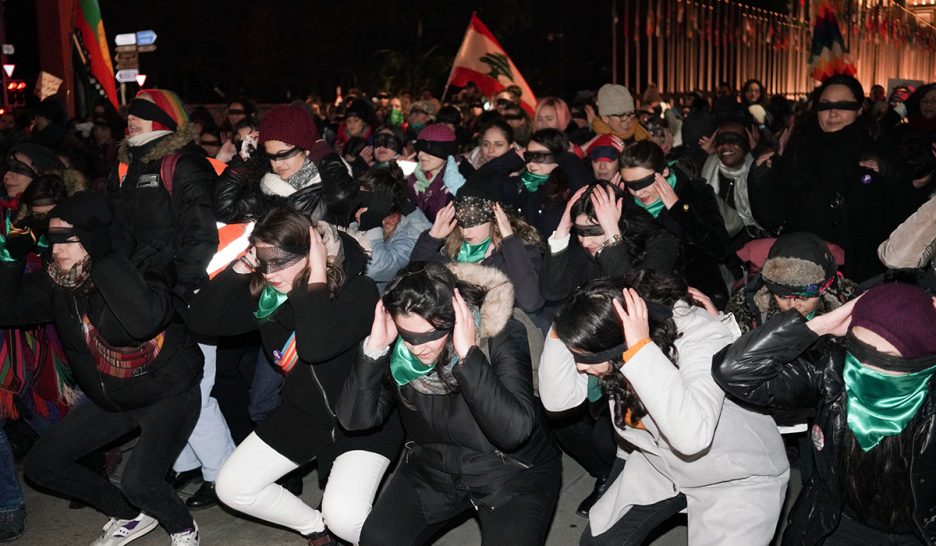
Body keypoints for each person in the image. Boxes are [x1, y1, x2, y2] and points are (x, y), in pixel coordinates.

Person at [0, 191, 203, 545]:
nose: (56, 250)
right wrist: (10, 257)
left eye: (67, 240)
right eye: (51, 240)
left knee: (141, 482)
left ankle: (182, 526)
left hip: (167, 392)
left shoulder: (145, 264)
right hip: (112, 398)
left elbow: (140, 323)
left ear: (94, 238)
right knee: (42, 465)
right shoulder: (60, 280)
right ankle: (129, 515)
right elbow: (7, 310)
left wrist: (104, 255)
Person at [188, 208, 401, 546]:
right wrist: (242, 266)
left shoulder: (358, 291)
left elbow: (315, 347)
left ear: (313, 252)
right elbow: (202, 321)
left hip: (364, 419)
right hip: (304, 415)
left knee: (345, 516)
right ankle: (317, 530)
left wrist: (316, 274)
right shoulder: (270, 299)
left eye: (281, 262)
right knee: (232, 487)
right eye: (263, 261)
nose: (271, 273)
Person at [542, 272, 789, 546]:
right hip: (660, 464)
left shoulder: (700, 335)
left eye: (584, 358)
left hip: (736, 477)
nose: (579, 367)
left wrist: (639, 349)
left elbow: (692, 436)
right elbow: (558, 401)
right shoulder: (610, 338)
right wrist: (564, 325)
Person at [337, 261, 562, 546]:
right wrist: (374, 350)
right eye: (409, 336)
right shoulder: (399, 352)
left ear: (455, 317)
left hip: (510, 473)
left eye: (431, 335)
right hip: (434, 468)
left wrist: (469, 357)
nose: (418, 349)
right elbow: (355, 420)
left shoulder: (500, 333)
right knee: (378, 539)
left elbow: (513, 431)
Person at [713, 282, 936, 544]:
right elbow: (733, 371)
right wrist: (819, 326)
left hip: (918, 532)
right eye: (859, 350)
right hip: (838, 519)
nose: (864, 369)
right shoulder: (835, 372)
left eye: (885, 359)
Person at [747, 75, 916, 283]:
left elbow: (905, 210)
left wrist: (887, 174)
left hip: (865, 271)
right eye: (826, 106)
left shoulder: (878, 148)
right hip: (807, 270)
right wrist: (760, 177)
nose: (833, 113)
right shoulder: (800, 147)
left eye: (843, 106)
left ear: (859, 109)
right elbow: (771, 215)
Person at [619, 140, 731, 309]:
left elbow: (720, 249)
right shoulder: (625, 206)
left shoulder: (694, 192)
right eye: (630, 185)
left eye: (644, 183)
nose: (638, 192)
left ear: (664, 172)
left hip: (701, 299)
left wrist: (678, 209)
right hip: (653, 304)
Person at [410, 178, 545, 314]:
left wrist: (510, 242)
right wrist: (432, 238)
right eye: (462, 224)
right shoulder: (451, 248)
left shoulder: (520, 249)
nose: (466, 232)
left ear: (495, 218)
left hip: (497, 331)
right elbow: (411, 283)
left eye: (474, 223)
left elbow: (530, 302)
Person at [727, 232, 856, 334]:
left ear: (825, 287)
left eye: (804, 298)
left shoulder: (852, 302)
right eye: (782, 296)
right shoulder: (747, 311)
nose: (793, 306)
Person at [355, 164, 431, 292]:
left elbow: (374, 269)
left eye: (364, 206)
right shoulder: (357, 219)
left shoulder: (410, 236)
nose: (357, 212)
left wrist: (372, 223)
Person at [504, 128, 592, 239]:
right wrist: (513, 159)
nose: (531, 162)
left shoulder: (571, 185)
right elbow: (482, 184)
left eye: (539, 156)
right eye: (528, 156)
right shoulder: (520, 184)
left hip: (561, 253)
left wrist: (564, 156)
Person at [405, 123, 464, 222]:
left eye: (429, 150)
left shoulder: (458, 182)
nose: (421, 155)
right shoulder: (414, 178)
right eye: (419, 148)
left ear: (446, 151)